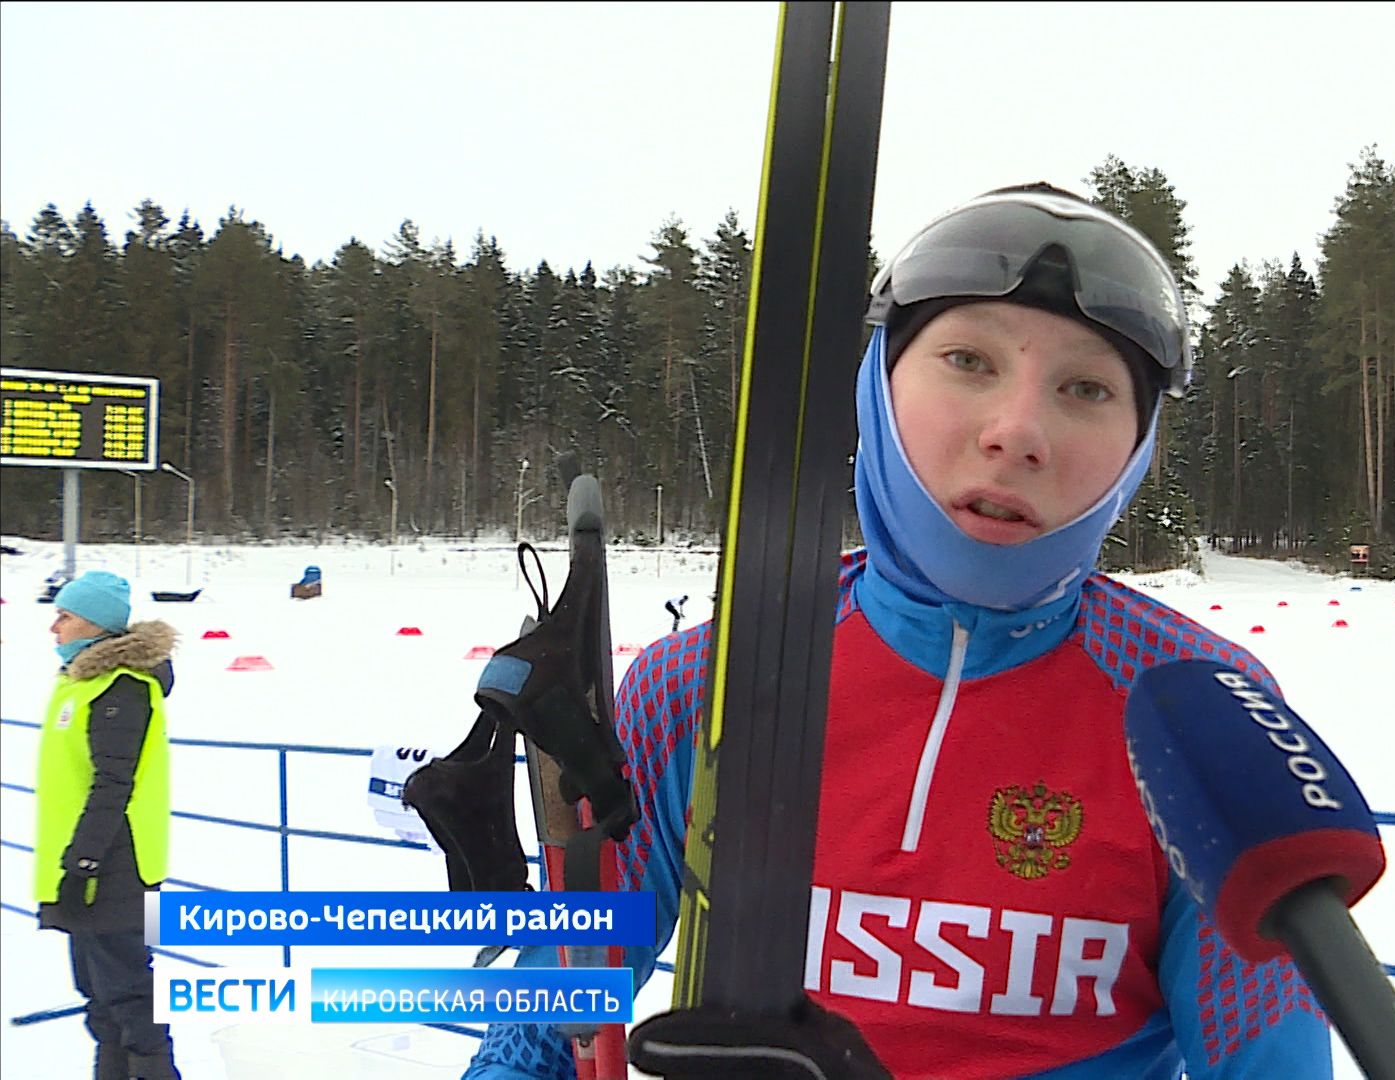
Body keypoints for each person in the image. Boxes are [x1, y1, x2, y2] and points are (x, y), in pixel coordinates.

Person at [465, 185, 1332, 1078]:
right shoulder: (704, 685)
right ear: (879, 386)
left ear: (1139, 443)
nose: (1017, 431)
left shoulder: (1195, 711)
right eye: (968, 360)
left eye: (1086, 388)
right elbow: (550, 1008)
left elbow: (1271, 1056)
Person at [37, 570, 180, 1080]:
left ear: (95, 625)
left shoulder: (123, 689)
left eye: (66, 616)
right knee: (98, 995)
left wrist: (83, 864)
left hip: (115, 863)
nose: (54, 627)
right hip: (83, 861)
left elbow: (113, 784)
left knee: (127, 993)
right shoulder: (84, 682)